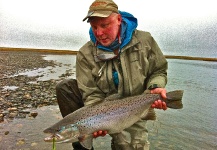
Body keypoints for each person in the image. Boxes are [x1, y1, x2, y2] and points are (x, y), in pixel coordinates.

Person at [56, 0, 168, 149]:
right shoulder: (85, 53)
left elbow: (158, 70)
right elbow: (90, 93)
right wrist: (95, 121)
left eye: (104, 25)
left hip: (133, 107)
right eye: (94, 27)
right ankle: (81, 142)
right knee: (65, 88)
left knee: (130, 146)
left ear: (119, 20)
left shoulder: (145, 41)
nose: (99, 33)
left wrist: (156, 86)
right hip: (101, 106)